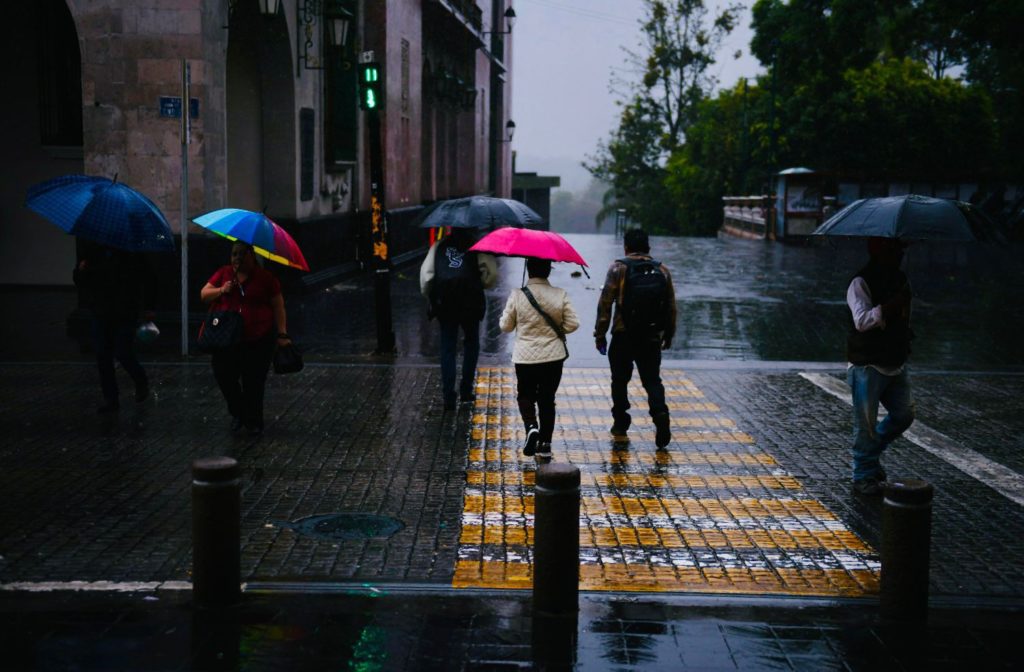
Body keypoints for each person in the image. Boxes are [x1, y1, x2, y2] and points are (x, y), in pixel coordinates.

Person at [594, 228, 677, 449]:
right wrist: (668, 334)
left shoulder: (617, 268)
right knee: (652, 380)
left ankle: (621, 421)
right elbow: (670, 306)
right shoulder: (662, 270)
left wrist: (600, 334)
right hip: (651, 336)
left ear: (626, 247)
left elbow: (605, 304)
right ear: (648, 247)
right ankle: (660, 413)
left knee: (619, 380)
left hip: (623, 335)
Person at [846, 236, 915, 496]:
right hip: (867, 365)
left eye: (901, 249)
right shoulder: (860, 282)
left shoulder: (901, 281)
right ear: (878, 251)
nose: (899, 255)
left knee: (904, 415)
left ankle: (870, 453)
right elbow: (861, 321)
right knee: (865, 424)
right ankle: (863, 474)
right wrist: (887, 309)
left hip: (895, 361)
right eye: (894, 250)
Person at [200, 241, 291, 435]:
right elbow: (204, 294)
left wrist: (282, 334)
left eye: (242, 254)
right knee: (224, 375)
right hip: (226, 339)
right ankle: (238, 412)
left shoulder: (266, 278)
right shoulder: (224, 274)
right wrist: (221, 290)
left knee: (254, 381)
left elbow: (278, 306)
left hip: (258, 338)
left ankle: (253, 421)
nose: (237, 258)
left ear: (252, 256)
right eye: (234, 254)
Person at [499, 257, 580, 459]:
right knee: (547, 399)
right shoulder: (560, 294)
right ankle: (545, 444)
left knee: (525, 395)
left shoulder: (518, 295)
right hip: (553, 356)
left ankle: (531, 426)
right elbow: (573, 324)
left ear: (528, 269)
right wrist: (555, 331)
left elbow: (505, 326)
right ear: (548, 271)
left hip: (525, 357)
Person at [73, 242, 157, 414]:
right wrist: (81, 271)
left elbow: (148, 278)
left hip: (125, 310)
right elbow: (82, 280)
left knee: (122, 351)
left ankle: (140, 380)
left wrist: (149, 306)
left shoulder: (131, 252)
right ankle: (111, 399)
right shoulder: (93, 250)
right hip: (101, 309)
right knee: (103, 355)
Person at [420, 228, 497, 410]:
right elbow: (491, 275)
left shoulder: (439, 246)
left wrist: (430, 296)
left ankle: (448, 396)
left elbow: (426, 276)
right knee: (471, 342)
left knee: (448, 347)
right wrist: (480, 285)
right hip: (471, 301)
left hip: (446, 302)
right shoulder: (479, 245)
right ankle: (466, 390)